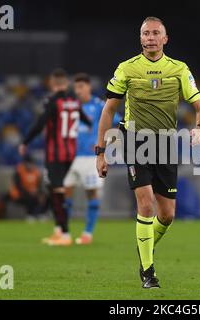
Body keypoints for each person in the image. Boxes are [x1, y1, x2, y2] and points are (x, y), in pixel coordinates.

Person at [95, 17, 200, 288]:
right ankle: (148, 272)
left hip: (166, 143)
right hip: (135, 139)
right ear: (140, 38)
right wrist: (101, 152)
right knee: (145, 203)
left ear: (165, 39)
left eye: (155, 33)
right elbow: (108, 110)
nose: (150, 38)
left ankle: (144, 245)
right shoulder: (127, 68)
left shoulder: (179, 70)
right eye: (146, 33)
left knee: (167, 215)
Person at [18, 69, 92, 246]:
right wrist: (89, 126)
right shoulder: (74, 101)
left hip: (55, 154)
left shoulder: (53, 101)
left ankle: (65, 234)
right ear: (65, 83)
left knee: (57, 191)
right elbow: (85, 119)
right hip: (70, 153)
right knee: (53, 189)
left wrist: (25, 142)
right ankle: (59, 230)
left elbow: (40, 123)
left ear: (53, 84)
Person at [63, 73, 121, 245]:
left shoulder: (98, 106)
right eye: (76, 87)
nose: (78, 91)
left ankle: (88, 233)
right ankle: (64, 233)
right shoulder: (71, 107)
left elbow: (116, 124)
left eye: (81, 87)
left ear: (88, 87)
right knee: (64, 194)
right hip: (71, 157)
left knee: (91, 194)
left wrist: (105, 144)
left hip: (90, 158)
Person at [9, 154, 48, 220]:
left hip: (33, 193)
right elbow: (18, 186)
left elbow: (39, 185)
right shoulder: (19, 171)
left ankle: (42, 214)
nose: (30, 165)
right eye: (28, 163)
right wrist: (30, 192)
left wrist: (39, 192)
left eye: (31, 163)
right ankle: (30, 215)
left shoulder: (36, 172)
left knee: (45, 196)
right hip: (19, 194)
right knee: (30, 197)